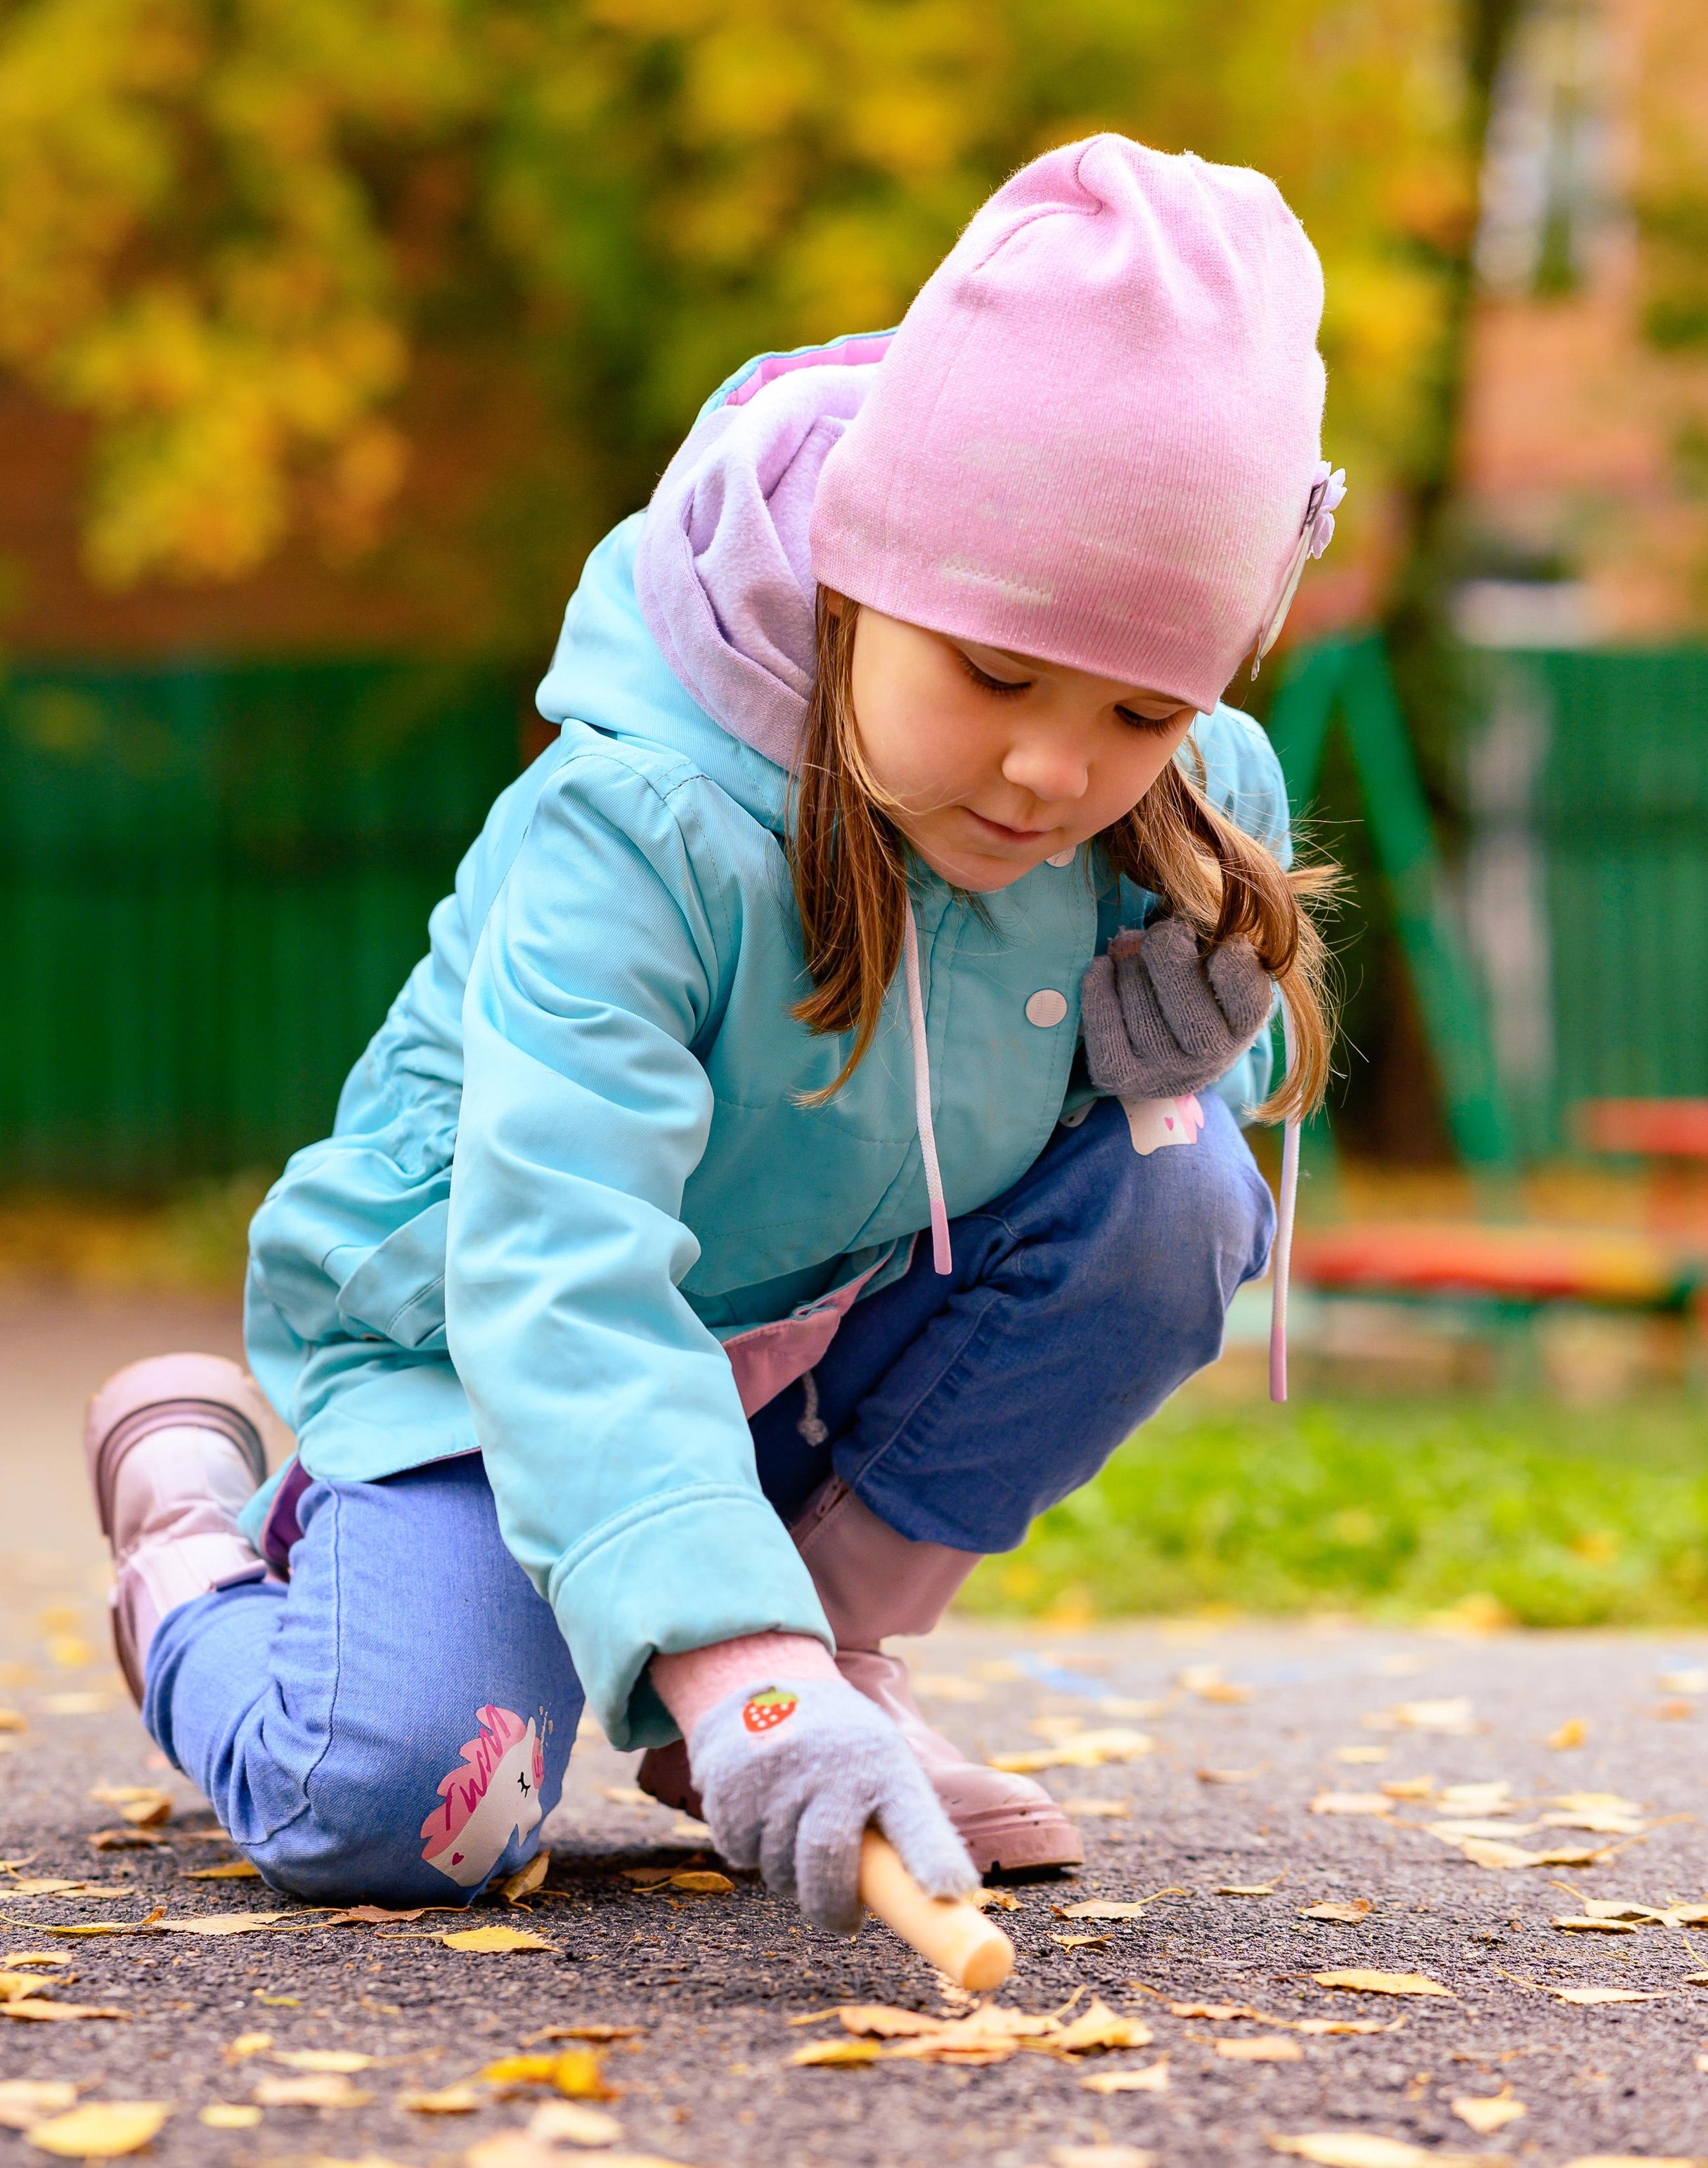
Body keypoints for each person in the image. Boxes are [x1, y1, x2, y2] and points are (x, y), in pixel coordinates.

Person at [84, 134, 1338, 1933]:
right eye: (990, 674)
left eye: (1139, 708)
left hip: (796, 1327)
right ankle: (200, 1542)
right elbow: (560, 1265)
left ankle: (833, 1668)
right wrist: (736, 1673)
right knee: (403, 1816)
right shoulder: (647, 824)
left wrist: (1174, 1037)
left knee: (1174, 1189)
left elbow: (1116, 1190)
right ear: (855, 570)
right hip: (492, 1355)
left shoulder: (1171, 805)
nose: (1054, 770)